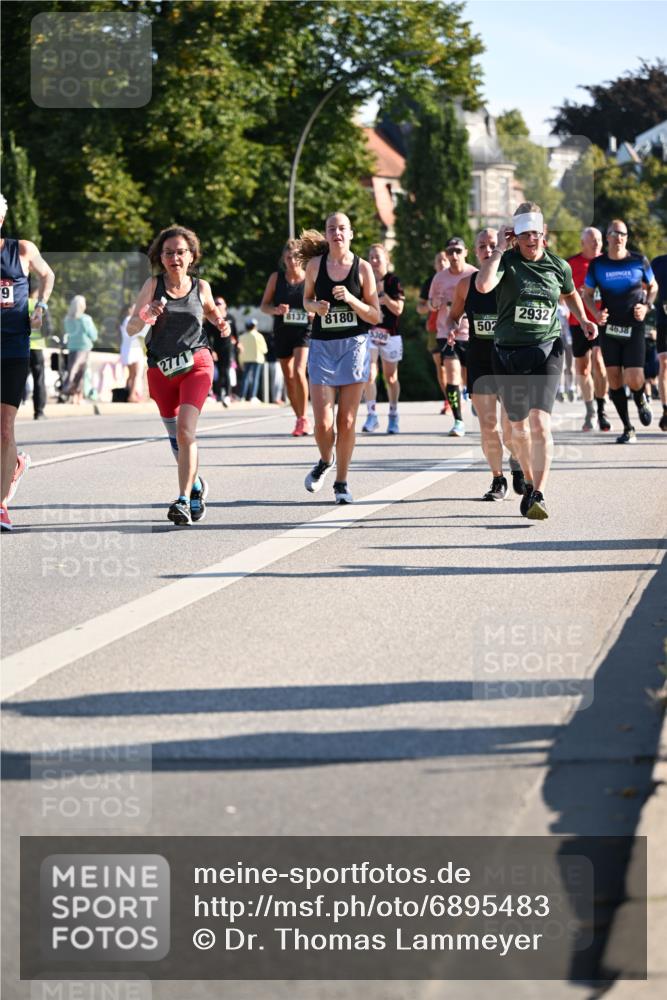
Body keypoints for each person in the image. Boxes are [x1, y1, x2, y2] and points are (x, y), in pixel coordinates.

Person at [476, 202, 597, 520]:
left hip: (546, 350)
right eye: (524, 233)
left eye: (535, 233)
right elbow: (483, 285)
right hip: (508, 353)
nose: (531, 239)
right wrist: (499, 249)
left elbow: (569, 293)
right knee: (517, 430)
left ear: (544, 232)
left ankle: (539, 494)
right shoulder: (506, 262)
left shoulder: (558, 265)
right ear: (515, 235)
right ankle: (529, 482)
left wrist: (584, 319)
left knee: (540, 423)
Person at [127, 224, 229, 526]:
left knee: (186, 430)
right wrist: (147, 315)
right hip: (161, 369)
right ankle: (196, 486)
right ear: (161, 257)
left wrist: (220, 323)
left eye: (181, 252)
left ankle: (183, 499)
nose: (175, 258)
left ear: (191, 255)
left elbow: (210, 310)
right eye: (168, 253)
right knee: (176, 438)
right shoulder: (152, 285)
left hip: (196, 364)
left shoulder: (201, 287)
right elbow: (131, 327)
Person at [300, 211, 381, 504]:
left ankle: (341, 482)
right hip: (322, 346)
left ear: (351, 233)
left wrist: (350, 298)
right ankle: (326, 459)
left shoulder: (362, 269)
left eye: (342, 228)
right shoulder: (314, 266)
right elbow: (306, 300)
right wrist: (315, 308)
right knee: (323, 423)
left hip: (354, 346)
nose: (337, 233)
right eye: (332, 228)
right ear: (326, 234)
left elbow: (375, 314)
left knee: (346, 420)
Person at [446, 228, 524, 500]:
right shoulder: (466, 285)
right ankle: (497, 479)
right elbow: (453, 316)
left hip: (510, 359)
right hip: (480, 359)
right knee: (488, 425)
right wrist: (452, 328)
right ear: (475, 251)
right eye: (482, 246)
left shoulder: (514, 279)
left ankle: (516, 461)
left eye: (493, 245)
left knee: (511, 427)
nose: (488, 250)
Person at [0, 192, 54, 531]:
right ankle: (15, 465)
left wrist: (40, 306)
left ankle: (0, 504)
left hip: (13, 348)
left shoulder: (20, 250)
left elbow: (47, 275)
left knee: (5, 429)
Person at [582, 220, 658, 444]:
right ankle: (628, 428)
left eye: (622, 233)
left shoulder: (639, 260)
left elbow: (653, 287)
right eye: (614, 233)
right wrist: (596, 314)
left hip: (634, 326)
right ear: (607, 237)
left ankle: (640, 398)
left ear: (627, 237)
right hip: (610, 328)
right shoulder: (598, 264)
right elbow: (587, 294)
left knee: (634, 377)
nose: (618, 237)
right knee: (614, 379)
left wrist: (646, 306)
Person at [260, 241, 311, 435]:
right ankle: (299, 418)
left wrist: (314, 311)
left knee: (299, 371)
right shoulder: (276, 278)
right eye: (289, 257)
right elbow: (264, 306)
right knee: (289, 377)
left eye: (296, 257)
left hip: (303, 331)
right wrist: (276, 310)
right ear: (283, 259)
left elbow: (319, 303)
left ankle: (304, 418)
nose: (293, 261)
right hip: (282, 331)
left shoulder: (309, 278)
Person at [429, 237, 477, 436]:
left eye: (458, 251)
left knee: (469, 378)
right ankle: (458, 421)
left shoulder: (474, 274)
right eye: (450, 252)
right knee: (452, 375)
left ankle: (474, 399)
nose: (454, 255)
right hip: (446, 333)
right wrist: (435, 303)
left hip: (471, 333)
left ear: (466, 252)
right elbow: (431, 304)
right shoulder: (439, 278)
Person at [566, 228, 610, 432]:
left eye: (599, 240)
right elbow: (563, 293)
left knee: (599, 363)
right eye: (592, 240)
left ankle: (602, 410)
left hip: (602, 321)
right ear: (582, 243)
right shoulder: (571, 264)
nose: (597, 243)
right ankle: (590, 410)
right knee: (582, 368)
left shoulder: (607, 262)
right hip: (579, 323)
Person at [362, 244, 405, 434]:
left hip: (391, 334)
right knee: (370, 373)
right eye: (371, 257)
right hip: (370, 333)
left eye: (377, 257)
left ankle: (393, 414)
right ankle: (371, 415)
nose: (373, 261)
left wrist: (384, 297)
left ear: (386, 259)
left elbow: (399, 309)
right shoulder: (364, 280)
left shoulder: (394, 281)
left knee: (391, 377)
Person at [417, 250, 450, 413]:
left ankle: (462, 390)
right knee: (441, 367)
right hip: (434, 328)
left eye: (444, 260)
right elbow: (420, 308)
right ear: (434, 264)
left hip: (456, 328)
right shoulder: (429, 282)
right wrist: (431, 305)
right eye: (439, 260)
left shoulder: (460, 278)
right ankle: (449, 400)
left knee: (458, 364)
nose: (442, 263)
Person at [61, 295, 98, 404]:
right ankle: (79, 396)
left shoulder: (67, 319)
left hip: (72, 347)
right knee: (81, 372)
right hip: (84, 347)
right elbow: (93, 335)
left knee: (72, 370)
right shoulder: (85, 319)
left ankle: (72, 395)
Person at [205, 295, 237, 406]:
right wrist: (212, 350)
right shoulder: (211, 319)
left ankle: (227, 395)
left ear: (225, 305)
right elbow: (208, 336)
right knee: (216, 372)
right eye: (216, 303)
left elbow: (235, 334)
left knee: (226, 370)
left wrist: (237, 343)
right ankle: (217, 394)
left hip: (228, 348)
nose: (218, 305)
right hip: (216, 348)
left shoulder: (231, 317)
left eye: (220, 303)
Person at [27, 286, 51, 419]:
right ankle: (39, 411)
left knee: (16, 379)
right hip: (36, 347)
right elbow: (48, 329)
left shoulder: (18, 303)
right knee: (39, 380)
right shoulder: (39, 306)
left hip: (20, 346)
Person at [650, 252, 667, 431]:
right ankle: (666, 410)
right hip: (663, 321)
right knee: (665, 363)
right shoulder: (658, 262)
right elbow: (645, 286)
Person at [119, 303, 146, 402]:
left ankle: (127, 394)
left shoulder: (124, 320)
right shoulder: (130, 320)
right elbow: (138, 333)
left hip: (127, 349)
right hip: (133, 349)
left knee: (131, 374)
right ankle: (131, 395)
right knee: (136, 374)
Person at [238, 318, 268, 402]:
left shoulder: (241, 337)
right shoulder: (259, 336)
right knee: (255, 378)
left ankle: (242, 396)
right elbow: (265, 350)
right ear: (254, 326)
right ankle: (253, 396)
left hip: (245, 359)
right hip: (257, 359)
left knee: (245, 378)